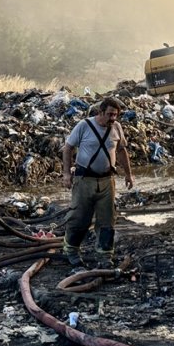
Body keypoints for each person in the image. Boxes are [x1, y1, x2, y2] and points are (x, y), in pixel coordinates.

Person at [62, 96, 134, 271]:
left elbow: (122, 151)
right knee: (79, 219)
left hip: (107, 180)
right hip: (84, 180)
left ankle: (104, 255)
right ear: (101, 112)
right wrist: (66, 173)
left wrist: (128, 174)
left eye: (115, 115)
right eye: (110, 114)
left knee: (107, 220)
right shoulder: (84, 126)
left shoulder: (116, 127)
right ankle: (71, 251)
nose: (113, 118)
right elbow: (67, 148)